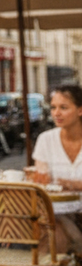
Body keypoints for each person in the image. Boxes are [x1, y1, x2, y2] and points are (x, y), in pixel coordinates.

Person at [32, 84, 82, 254]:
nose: (56, 113)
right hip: (56, 213)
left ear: (80, 110)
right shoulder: (45, 140)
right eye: (53, 107)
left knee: (53, 232)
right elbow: (42, 181)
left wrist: (71, 184)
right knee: (54, 228)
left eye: (63, 107)